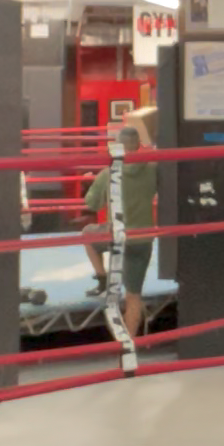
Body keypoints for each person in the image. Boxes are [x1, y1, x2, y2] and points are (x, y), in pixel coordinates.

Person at [78, 126, 157, 338]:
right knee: (133, 297)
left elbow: (91, 204)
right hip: (143, 238)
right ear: (138, 146)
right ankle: (127, 348)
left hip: (117, 236)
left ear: (118, 147)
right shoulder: (152, 169)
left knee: (87, 233)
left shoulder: (108, 173)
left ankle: (101, 276)